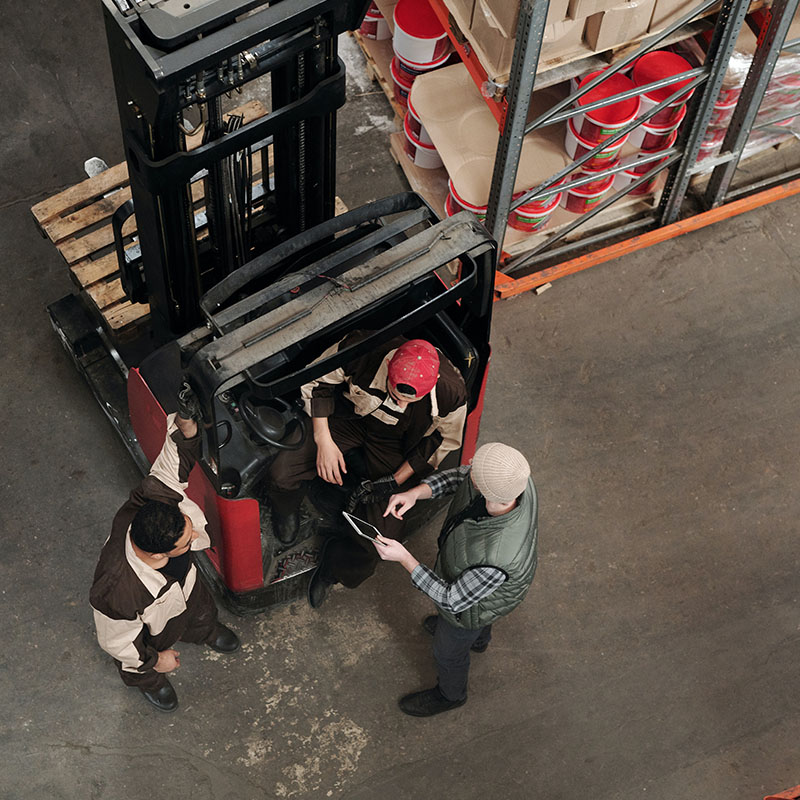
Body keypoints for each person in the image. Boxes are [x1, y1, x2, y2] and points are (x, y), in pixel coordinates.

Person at [266, 330, 468, 607]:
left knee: (382, 540)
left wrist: (395, 480)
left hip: (396, 443)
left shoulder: (452, 392)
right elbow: (316, 381)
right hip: (348, 418)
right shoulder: (359, 349)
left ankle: (333, 567)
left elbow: (442, 440)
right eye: (397, 394)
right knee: (282, 471)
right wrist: (323, 440)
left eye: (411, 401)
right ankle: (286, 509)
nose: (400, 404)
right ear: (387, 368)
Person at [90, 392, 241, 712]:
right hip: (150, 618)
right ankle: (149, 682)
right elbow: (117, 642)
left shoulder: (154, 502)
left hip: (181, 580)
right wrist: (157, 660)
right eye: (188, 542)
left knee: (198, 604)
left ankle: (205, 630)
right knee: (138, 655)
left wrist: (187, 429)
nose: (197, 537)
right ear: (159, 556)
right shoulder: (116, 592)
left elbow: (170, 463)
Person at [374, 442, 538, 717]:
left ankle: (451, 695)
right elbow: (461, 478)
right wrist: (415, 494)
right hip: (487, 592)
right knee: (481, 618)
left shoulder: (496, 559)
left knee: (448, 651)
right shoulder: (515, 482)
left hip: (467, 608)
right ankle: (478, 640)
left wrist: (404, 558)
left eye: (477, 470)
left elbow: (452, 598)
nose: (471, 464)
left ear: (487, 491)